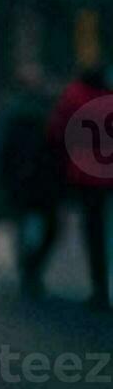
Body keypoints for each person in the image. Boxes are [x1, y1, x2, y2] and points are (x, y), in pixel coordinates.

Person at [48, 65, 113, 310]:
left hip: (84, 174)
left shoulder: (74, 96)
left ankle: (99, 288)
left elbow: (56, 132)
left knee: (93, 232)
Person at [0, 73, 61, 297]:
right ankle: (30, 270)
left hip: (35, 181)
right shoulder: (22, 115)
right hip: (31, 181)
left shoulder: (45, 113)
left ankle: (29, 269)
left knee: (42, 229)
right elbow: (2, 151)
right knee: (39, 228)